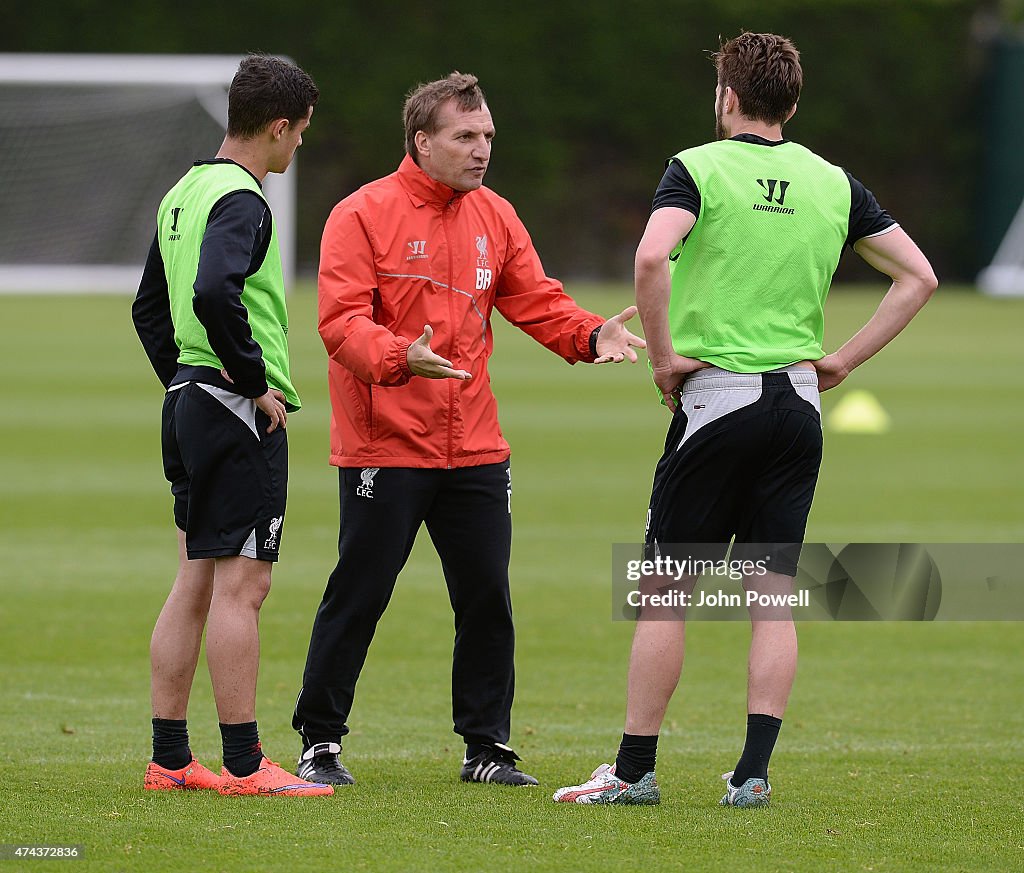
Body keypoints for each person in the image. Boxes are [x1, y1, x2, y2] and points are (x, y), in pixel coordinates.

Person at [554, 32, 937, 806]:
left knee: (666, 591)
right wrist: (840, 363)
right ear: (792, 103)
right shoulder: (833, 182)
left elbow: (651, 260)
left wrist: (662, 358)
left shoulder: (695, 167)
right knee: (773, 596)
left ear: (726, 97)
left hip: (717, 400)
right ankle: (753, 773)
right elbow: (918, 277)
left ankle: (632, 773)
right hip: (798, 402)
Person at [291, 71, 645, 787]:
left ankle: (486, 746)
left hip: (476, 445)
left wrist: (588, 333)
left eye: (487, 136)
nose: (481, 150)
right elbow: (339, 324)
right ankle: (320, 741)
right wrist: (400, 356)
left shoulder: (496, 215)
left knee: (486, 592)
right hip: (383, 445)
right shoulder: (360, 214)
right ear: (422, 141)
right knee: (360, 591)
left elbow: (536, 300)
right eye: (465, 136)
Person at [132, 53, 331, 797]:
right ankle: (247, 765)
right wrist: (247, 384)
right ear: (278, 126)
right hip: (230, 406)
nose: (300, 146)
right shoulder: (244, 200)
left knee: (195, 577)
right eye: (301, 132)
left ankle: (171, 757)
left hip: (188, 401)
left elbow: (150, 310)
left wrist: (188, 381)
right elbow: (218, 291)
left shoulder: (183, 191)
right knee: (244, 586)